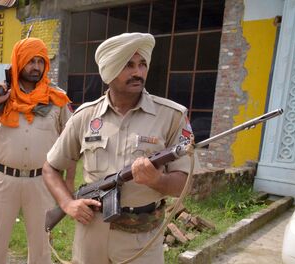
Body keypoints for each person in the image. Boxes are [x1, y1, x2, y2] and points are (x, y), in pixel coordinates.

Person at [43, 32, 193, 263]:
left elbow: (185, 182)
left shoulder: (171, 116)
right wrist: (67, 203)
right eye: (128, 65)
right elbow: (51, 168)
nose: (137, 72)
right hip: (91, 233)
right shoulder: (85, 116)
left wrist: (157, 180)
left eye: (142, 64)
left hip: (142, 239)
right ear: (109, 71)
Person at [0, 38, 76, 264]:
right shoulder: (1, 94)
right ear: (19, 62)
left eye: (40, 61)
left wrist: (69, 182)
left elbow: (71, 142)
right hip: (2, 180)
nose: (36, 67)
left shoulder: (56, 98)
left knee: (41, 246)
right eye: (31, 61)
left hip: (42, 181)